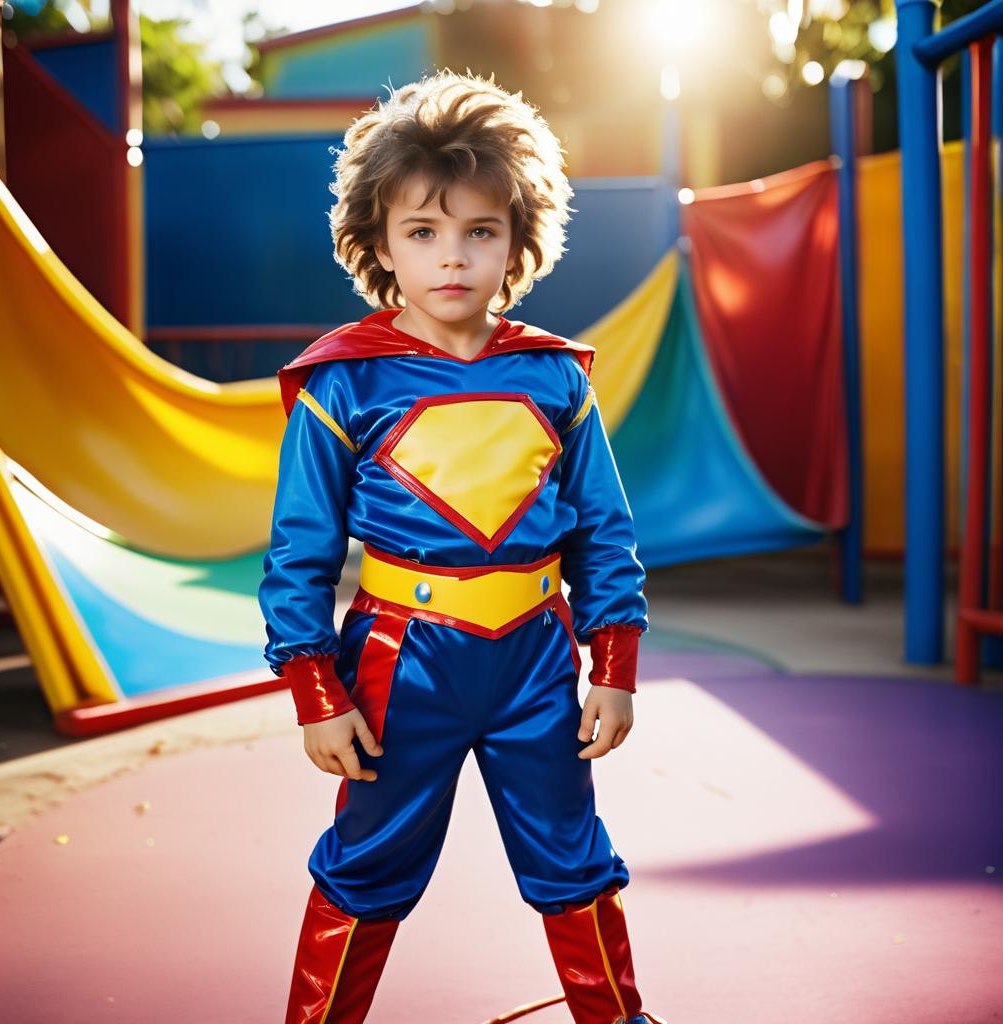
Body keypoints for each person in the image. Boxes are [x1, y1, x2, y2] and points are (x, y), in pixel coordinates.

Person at [258, 68, 665, 1024]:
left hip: (535, 657)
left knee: (575, 860)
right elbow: (299, 555)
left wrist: (614, 663)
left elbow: (604, 529)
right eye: (423, 232)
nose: (453, 258)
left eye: (480, 230)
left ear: (520, 240)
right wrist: (316, 693)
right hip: (400, 664)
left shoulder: (556, 377)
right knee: (367, 863)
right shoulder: (342, 384)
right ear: (379, 243)